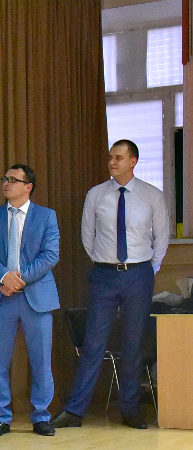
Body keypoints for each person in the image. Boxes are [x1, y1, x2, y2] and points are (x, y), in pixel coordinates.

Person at [51, 139, 169, 430]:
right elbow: (87, 236)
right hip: (104, 275)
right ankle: (75, 411)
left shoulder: (152, 196)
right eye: (110, 157)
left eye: (118, 157)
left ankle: (130, 409)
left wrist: (148, 269)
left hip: (139, 274)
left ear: (133, 161)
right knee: (93, 343)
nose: (112, 162)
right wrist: (105, 262)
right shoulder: (96, 194)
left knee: (132, 343)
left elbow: (162, 238)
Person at [0, 164, 60, 437]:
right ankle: (1, 418)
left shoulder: (46, 216)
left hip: (36, 297)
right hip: (1, 298)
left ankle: (41, 417)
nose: (6, 183)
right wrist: (4, 276)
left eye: (13, 180)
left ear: (28, 186)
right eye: (5, 178)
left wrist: (18, 279)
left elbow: (50, 255)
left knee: (41, 360)